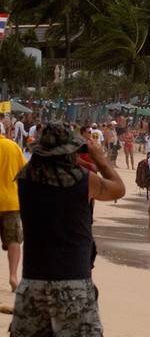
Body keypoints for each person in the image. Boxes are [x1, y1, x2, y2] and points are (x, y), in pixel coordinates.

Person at [12, 124, 124, 335]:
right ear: (71, 152)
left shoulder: (25, 180)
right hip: (74, 283)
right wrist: (99, 159)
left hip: (33, 282)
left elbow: (48, 173)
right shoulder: (84, 180)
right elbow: (119, 188)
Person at [0, 130, 26, 291]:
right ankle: (13, 276)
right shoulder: (12, 146)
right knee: (14, 240)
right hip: (11, 201)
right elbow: (24, 172)